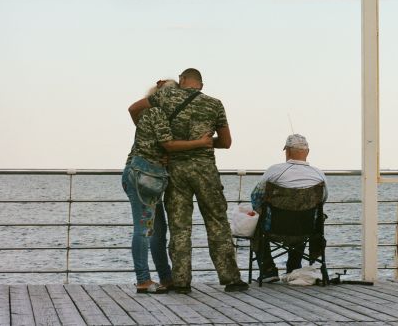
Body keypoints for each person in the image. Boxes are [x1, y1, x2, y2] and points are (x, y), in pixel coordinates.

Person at [128, 68, 247, 294]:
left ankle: (181, 282)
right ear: (201, 85)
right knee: (217, 223)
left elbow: (134, 109)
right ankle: (231, 279)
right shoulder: (215, 104)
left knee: (180, 227)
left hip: (175, 170)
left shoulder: (165, 96)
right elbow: (226, 142)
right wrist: (203, 141)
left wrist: (151, 135)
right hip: (205, 170)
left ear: (182, 81)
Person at [123, 79, 215, 294]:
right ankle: (143, 280)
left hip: (147, 174)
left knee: (157, 231)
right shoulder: (156, 113)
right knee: (144, 229)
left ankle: (166, 277)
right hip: (143, 174)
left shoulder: (154, 115)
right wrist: (201, 143)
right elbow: (168, 144)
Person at [251, 133, 328, 283]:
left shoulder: (274, 172)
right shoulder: (319, 175)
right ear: (307, 152)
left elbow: (256, 198)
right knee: (305, 218)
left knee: (256, 225)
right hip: (306, 230)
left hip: (273, 228)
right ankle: (293, 267)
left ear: (287, 151)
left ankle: (268, 271)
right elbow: (322, 201)